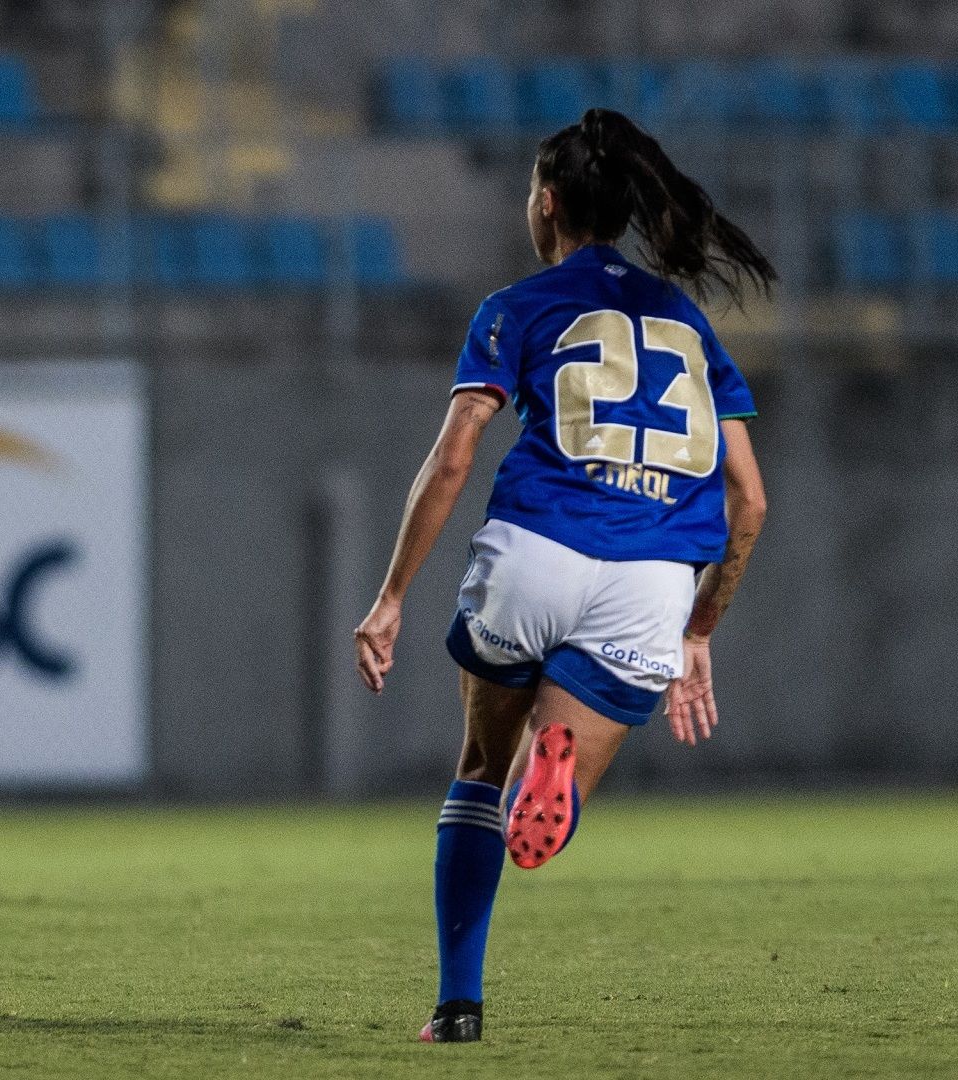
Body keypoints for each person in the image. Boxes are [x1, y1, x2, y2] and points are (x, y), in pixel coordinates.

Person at [351, 108, 773, 1043]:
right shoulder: (686, 322)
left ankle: (457, 1007)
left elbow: (455, 455)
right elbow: (750, 500)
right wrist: (698, 632)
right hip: (654, 579)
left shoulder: (519, 306)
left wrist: (390, 598)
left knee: (474, 776)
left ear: (545, 203)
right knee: (552, 782)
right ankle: (560, 783)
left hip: (534, 553)